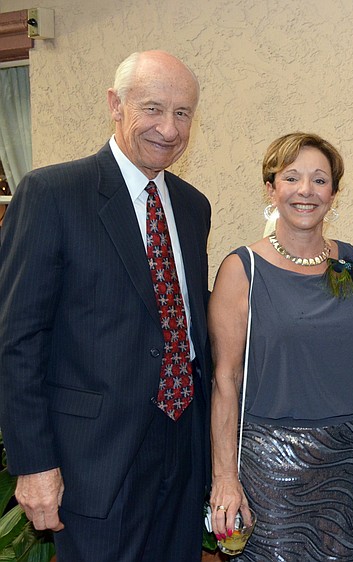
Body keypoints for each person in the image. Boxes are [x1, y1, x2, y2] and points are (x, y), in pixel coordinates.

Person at [0, 51, 211, 561]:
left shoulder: (192, 206)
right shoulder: (52, 194)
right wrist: (34, 464)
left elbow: (186, 324)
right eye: (153, 108)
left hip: (183, 451)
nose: (168, 128)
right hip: (93, 461)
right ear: (115, 105)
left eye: (182, 113)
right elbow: (16, 340)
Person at [208, 132, 353, 560]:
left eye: (319, 180)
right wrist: (225, 478)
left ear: (334, 192)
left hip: (352, 459)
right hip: (271, 464)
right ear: (271, 189)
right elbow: (225, 380)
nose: (306, 190)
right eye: (291, 178)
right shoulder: (241, 269)